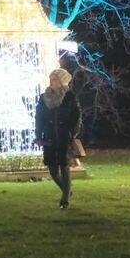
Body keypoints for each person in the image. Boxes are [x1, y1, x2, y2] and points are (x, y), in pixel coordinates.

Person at [35, 68, 81, 209]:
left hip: (64, 137)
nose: (52, 82)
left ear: (62, 81)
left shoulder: (69, 97)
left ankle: (64, 200)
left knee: (64, 166)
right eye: (51, 79)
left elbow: (76, 116)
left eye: (55, 79)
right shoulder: (44, 97)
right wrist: (38, 135)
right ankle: (67, 190)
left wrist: (71, 133)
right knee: (53, 170)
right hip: (49, 136)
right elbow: (39, 118)